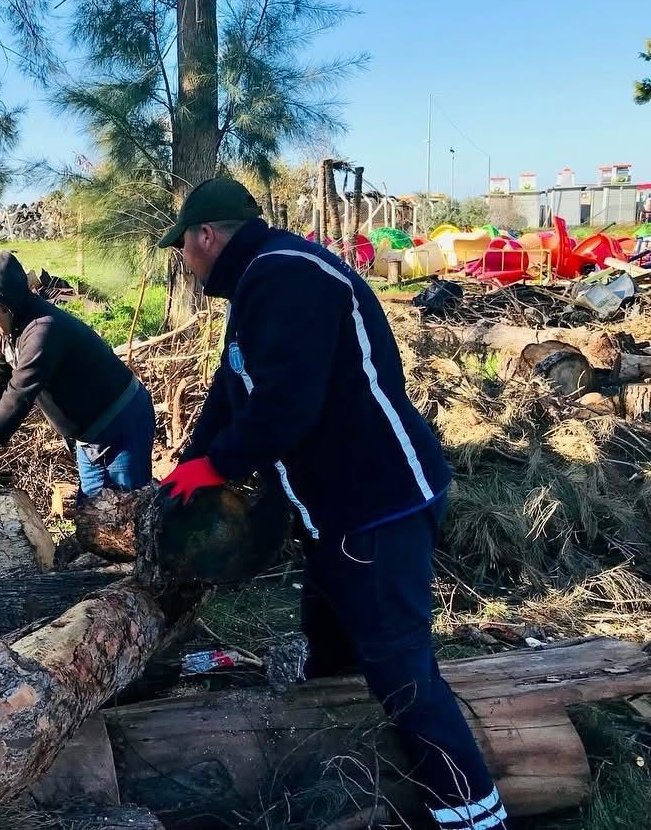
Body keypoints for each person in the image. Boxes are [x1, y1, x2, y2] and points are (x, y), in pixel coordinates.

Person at [158, 177, 507, 830]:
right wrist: (189, 471)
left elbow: (287, 405)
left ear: (206, 236)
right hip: (335, 516)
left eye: (183, 246)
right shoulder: (260, 282)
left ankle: (476, 817)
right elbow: (230, 390)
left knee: (404, 679)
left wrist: (220, 464)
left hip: (376, 505)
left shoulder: (287, 278)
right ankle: (355, 783)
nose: (182, 259)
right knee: (332, 660)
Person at [0, 251, 154, 497]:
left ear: (8, 304)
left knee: (128, 508)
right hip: (87, 436)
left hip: (121, 423)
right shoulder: (2, 333)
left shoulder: (43, 330)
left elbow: (20, 392)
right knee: (93, 509)